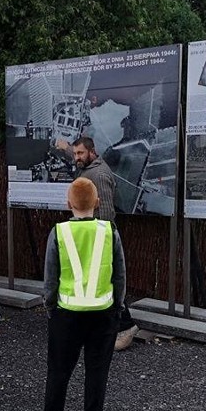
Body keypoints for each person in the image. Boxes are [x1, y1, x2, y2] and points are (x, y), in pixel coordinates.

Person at [28, 178, 125, 411]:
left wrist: (50, 306)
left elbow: (51, 278)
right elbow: (119, 274)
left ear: (68, 203)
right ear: (97, 202)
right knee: (97, 372)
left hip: (66, 313)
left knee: (58, 370)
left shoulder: (58, 233)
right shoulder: (110, 231)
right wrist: (118, 306)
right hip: (103, 312)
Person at [68, 136, 138, 349]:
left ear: (92, 151)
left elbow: (106, 212)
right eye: (74, 154)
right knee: (100, 282)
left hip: (99, 239)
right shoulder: (88, 169)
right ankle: (103, 327)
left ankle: (126, 326)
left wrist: (100, 240)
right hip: (92, 238)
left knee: (108, 281)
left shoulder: (98, 174)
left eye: (80, 153)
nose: (77, 158)